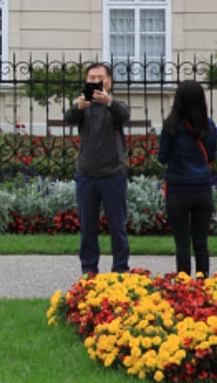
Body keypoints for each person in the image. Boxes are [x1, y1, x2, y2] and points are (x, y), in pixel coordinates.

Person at [63, 62, 131, 275]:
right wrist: (78, 107)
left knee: (117, 227)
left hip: (113, 175)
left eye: (99, 78)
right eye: (91, 78)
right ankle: (89, 271)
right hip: (87, 176)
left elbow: (124, 115)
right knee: (87, 229)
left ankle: (120, 271)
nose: (95, 82)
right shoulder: (83, 105)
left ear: (108, 81)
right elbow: (68, 118)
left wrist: (109, 102)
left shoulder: (115, 105)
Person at [158, 80, 217, 278]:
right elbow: (211, 156)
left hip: (177, 188)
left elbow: (162, 157)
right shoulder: (208, 126)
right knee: (201, 241)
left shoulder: (171, 126)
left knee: (182, 242)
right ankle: (203, 283)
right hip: (202, 188)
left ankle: (183, 287)